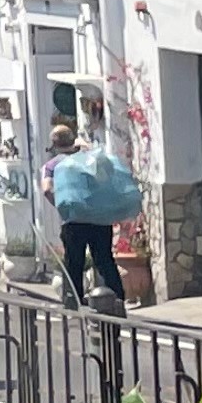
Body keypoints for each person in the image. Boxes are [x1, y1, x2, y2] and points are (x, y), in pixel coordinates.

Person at [47, 117, 138, 309]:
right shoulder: (91, 159)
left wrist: (63, 207)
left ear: (54, 144)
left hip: (73, 220)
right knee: (104, 259)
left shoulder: (54, 165)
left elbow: (47, 189)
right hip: (99, 218)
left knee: (74, 261)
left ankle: (73, 300)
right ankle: (117, 296)